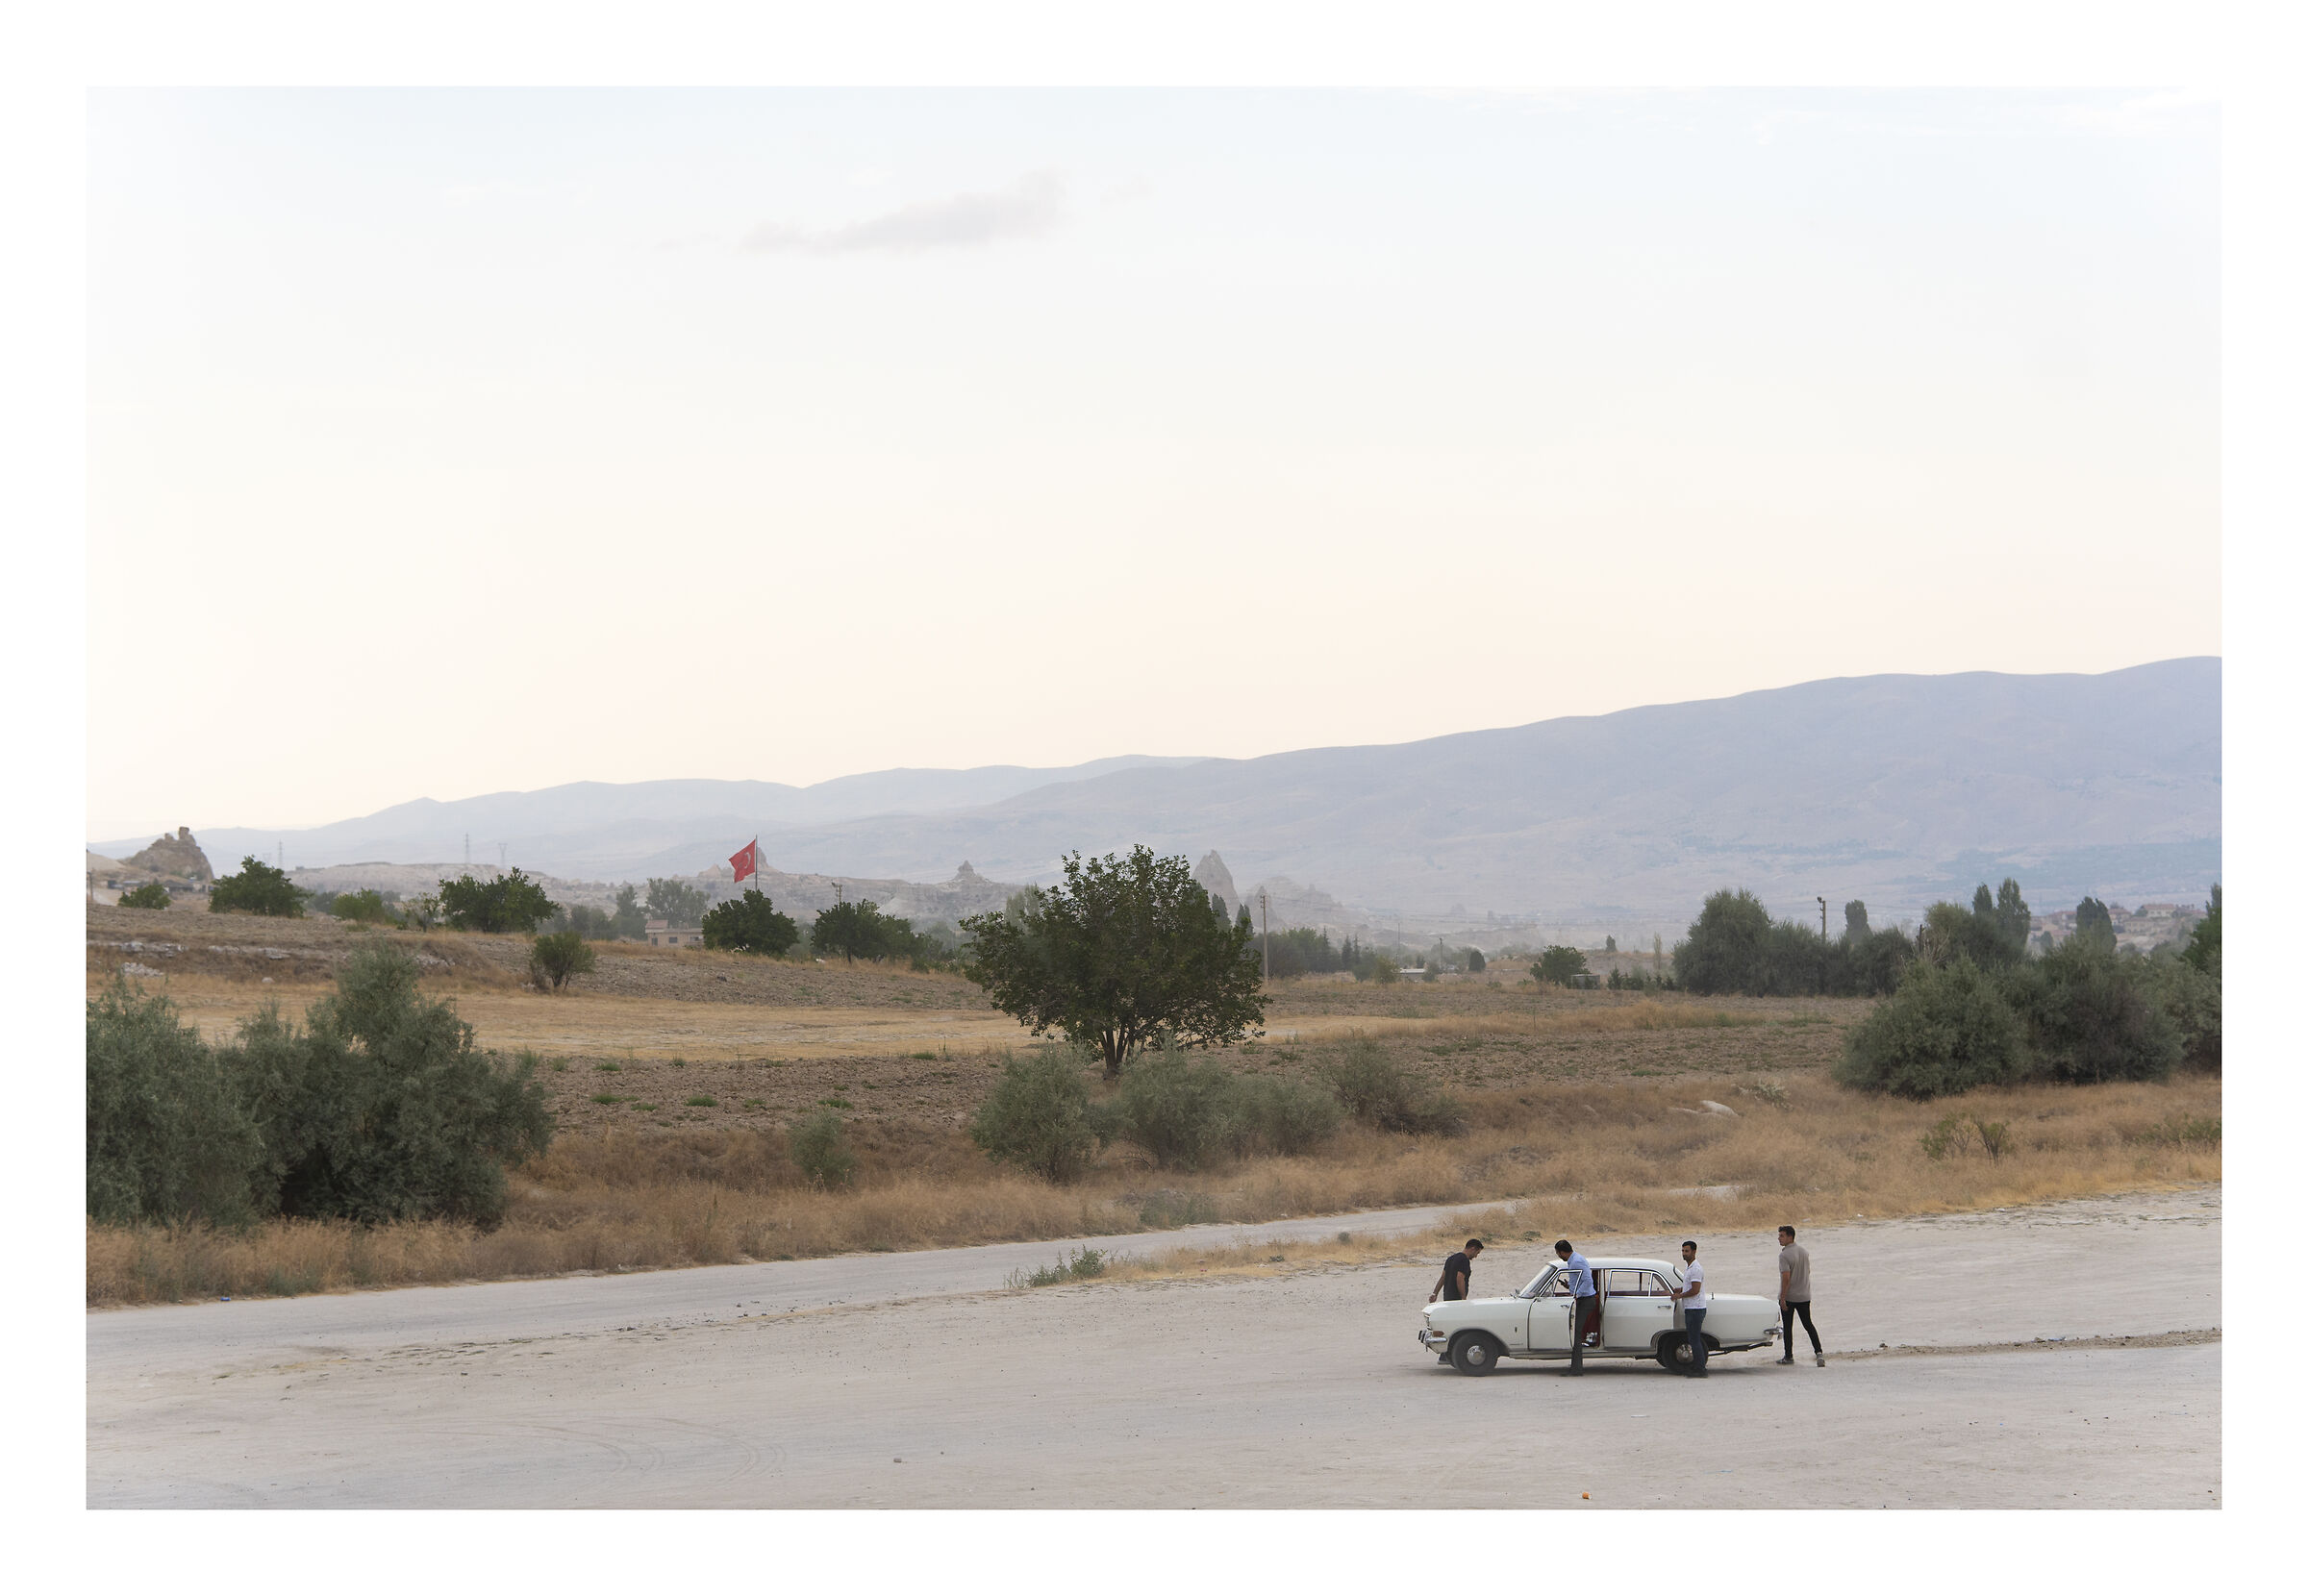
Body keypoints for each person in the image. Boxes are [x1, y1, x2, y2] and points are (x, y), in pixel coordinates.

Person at [1775, 1225, 1823, 1366]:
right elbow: (1807, 1272)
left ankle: (1788, 1356)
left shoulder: (1784, 1255)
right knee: (1808, 1324)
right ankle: (1819, 1352)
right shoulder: (1804, 1252)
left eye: (1782, 1236)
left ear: (1790, 1237)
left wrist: (1783, 1297)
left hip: (1790, 1297)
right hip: (1804, 1295)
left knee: (1788, 1326)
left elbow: (1786, 1278)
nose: (1779, 1238)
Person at [1554, 1240, 1600, 1374]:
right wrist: (1570, 1286)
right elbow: (1580, 1280)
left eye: (1558, 1253)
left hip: (1585, 1300)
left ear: (1562, 1252)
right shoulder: (1574, 1260)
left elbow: (1588, 1280)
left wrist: (1577, 1294)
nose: (1558, 1255)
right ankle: (1575, 1367)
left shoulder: (1576, 1262)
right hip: (1584, 1299)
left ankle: (1577, 1369)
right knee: (1575, 1332)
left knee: (1576, 1333)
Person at [1665, 1240, 1709, 1376]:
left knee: (1694, 1340)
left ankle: (1700, 1369)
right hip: (1691, 1308)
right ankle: (1697, 1367)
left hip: (1696, 1308)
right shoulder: (1690, 1267)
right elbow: (1690, 1286)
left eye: (1687, 1251)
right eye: (1683, 1251)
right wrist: (1678, 1289)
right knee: (1693, 1338)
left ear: (1694, 1252)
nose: (1684, 1254)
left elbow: (1695, 1290)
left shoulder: (1695, 1269)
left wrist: (1679, 1295)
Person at [1430, 1238, 1483, 1304]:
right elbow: (1460, 1279)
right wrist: (1463, 1298)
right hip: (1457, 1298)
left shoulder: (1451, 1258)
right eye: (1477, 1253)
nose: (1476, 1256)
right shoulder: (1464, 1260)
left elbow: (1443, 1278)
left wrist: (1435, 1293)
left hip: (1447, 1297)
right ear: (1473, 1249)